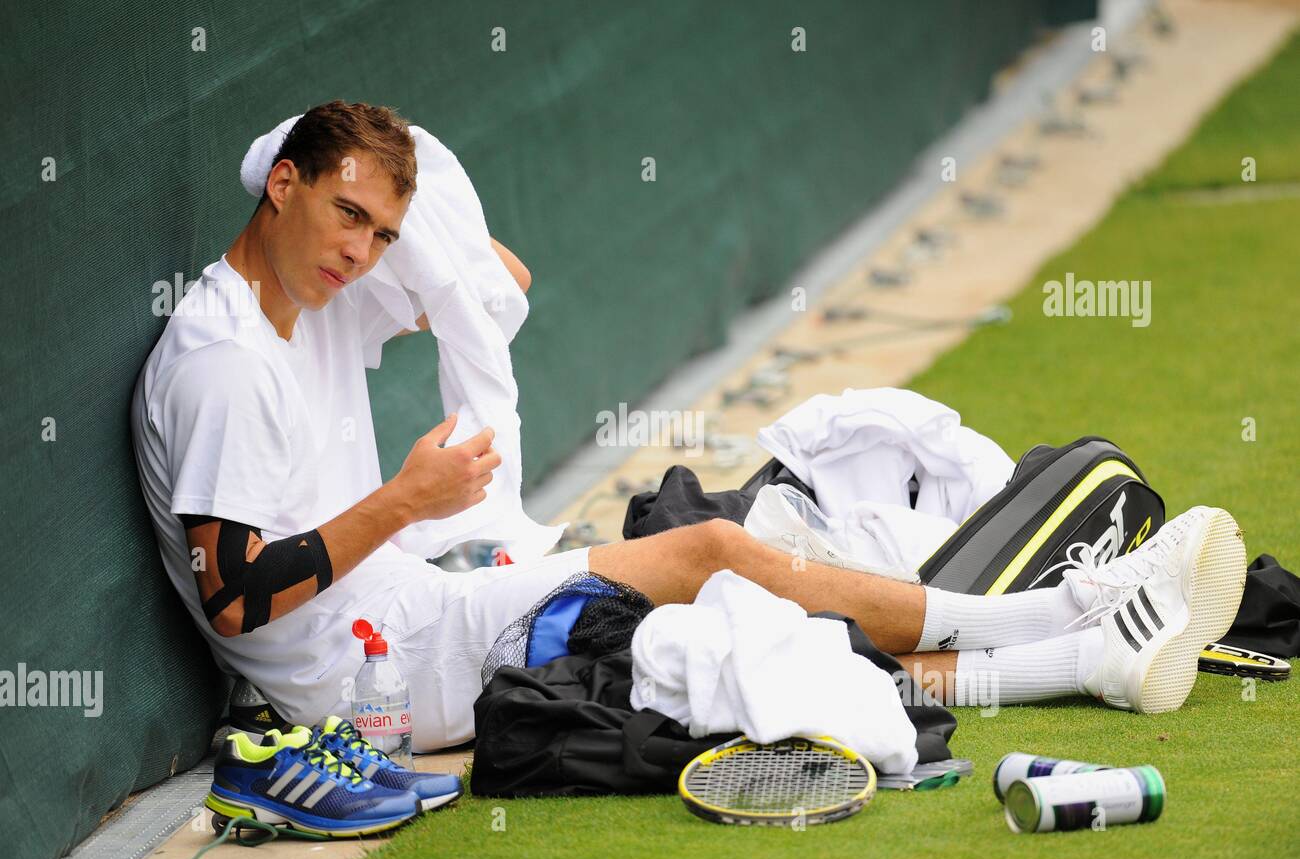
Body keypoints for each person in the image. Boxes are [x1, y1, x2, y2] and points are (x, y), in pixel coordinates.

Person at [130, 101, 1248, 753]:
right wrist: (406, 502)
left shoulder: (316, 294)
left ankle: (1078, 656)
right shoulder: (224, 360)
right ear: (280, 185)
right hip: (363, 679)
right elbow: (235, 594)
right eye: (345, 215)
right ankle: (1052, 610)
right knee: (713, 557)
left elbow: (497, 283)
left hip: (412, 599)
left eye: (382, 233)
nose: (363, 253)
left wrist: (423, 236)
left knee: (734, 618)